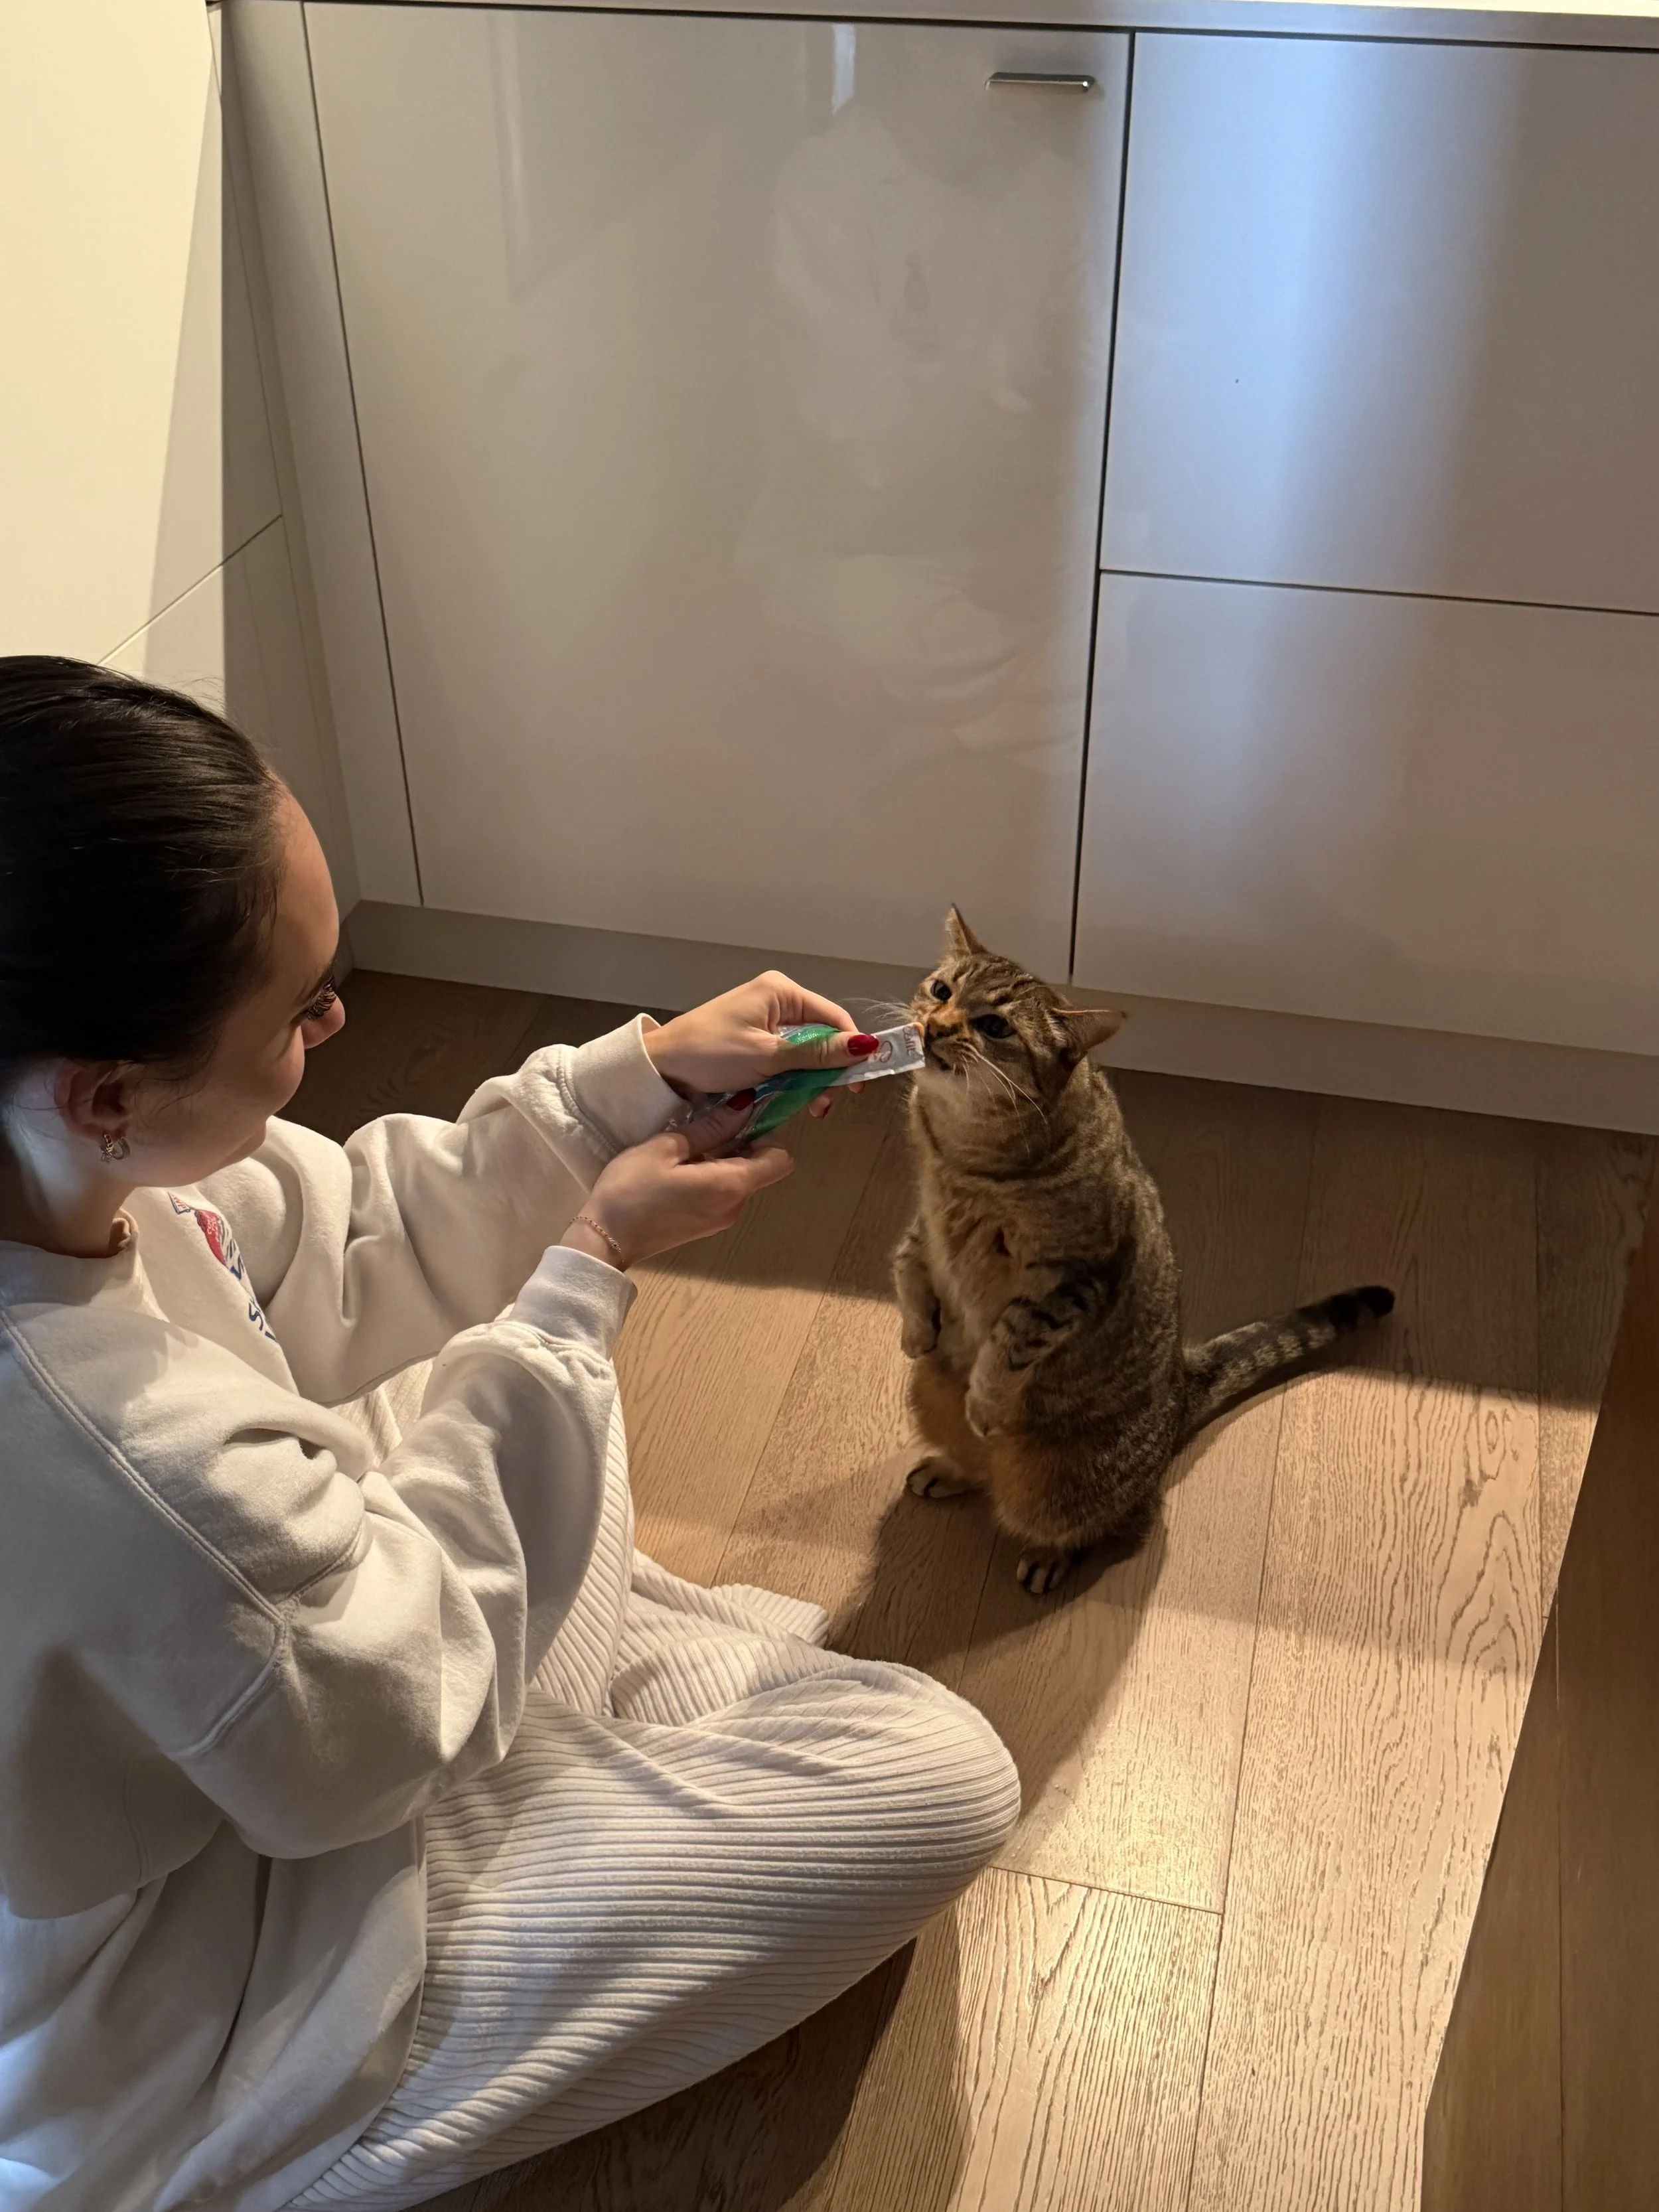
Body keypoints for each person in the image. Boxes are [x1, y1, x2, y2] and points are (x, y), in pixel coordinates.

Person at [0, 658, 1019, 2212]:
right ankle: (267, 2166)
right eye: (300, 1010)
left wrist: (624, 1089)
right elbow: (379, 1713)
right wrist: (585, 1279)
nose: (336, 1022)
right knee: (934, 1776)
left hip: (256, 1691)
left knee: (472, 1366)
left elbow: (329, 1239)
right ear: (106, 1092)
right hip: (208, 1982)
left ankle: (573, 1710)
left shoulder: (64, 1159)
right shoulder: (110, 1452)